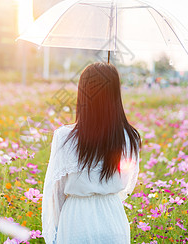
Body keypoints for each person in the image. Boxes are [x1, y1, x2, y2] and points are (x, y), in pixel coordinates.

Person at [42, 62, 141, 244]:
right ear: (115, 94)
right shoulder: (130, 136)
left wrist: (55, 231)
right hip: (113, 218)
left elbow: (55, 192)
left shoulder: (64, 137)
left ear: (83, 92)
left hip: (76, 221)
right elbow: (126, 184)